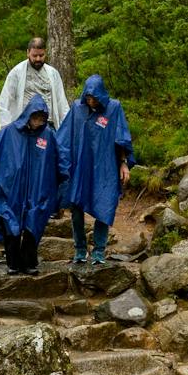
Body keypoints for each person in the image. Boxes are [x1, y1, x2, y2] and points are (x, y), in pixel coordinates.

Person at [0, 95, 68, 275]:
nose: (38, 122)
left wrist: (63, 178)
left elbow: (60, 158)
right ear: (28, 114)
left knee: (33, 223)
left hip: (38, 189)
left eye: (42, 119)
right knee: (11, 223)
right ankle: (13, 263)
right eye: (35, 117)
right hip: (12, 189)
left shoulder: (48, 135)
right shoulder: (9, 132)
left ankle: (28, 263)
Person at [60, 74, 135, 264]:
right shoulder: (77, 109)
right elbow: (64, 138)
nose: (91, 101)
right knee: (76, 206)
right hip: (80, 166)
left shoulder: (113, 108)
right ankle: (80, 248)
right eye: (88, 97)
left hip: (105, 166)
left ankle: (99, 250)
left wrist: (124, 163)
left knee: (105, 203)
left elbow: (121, 137)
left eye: (94, 98)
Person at [0, 36, 68, 130]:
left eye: (41, 55)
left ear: (46, 53)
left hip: (48, 125)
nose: (38, 59)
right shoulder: (16, 73)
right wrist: (6, 130)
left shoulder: (53, 73)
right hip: (25, 126)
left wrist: (66, 128)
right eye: (34, 56)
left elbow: (61, 102)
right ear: (28, 53)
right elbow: (5, 101)